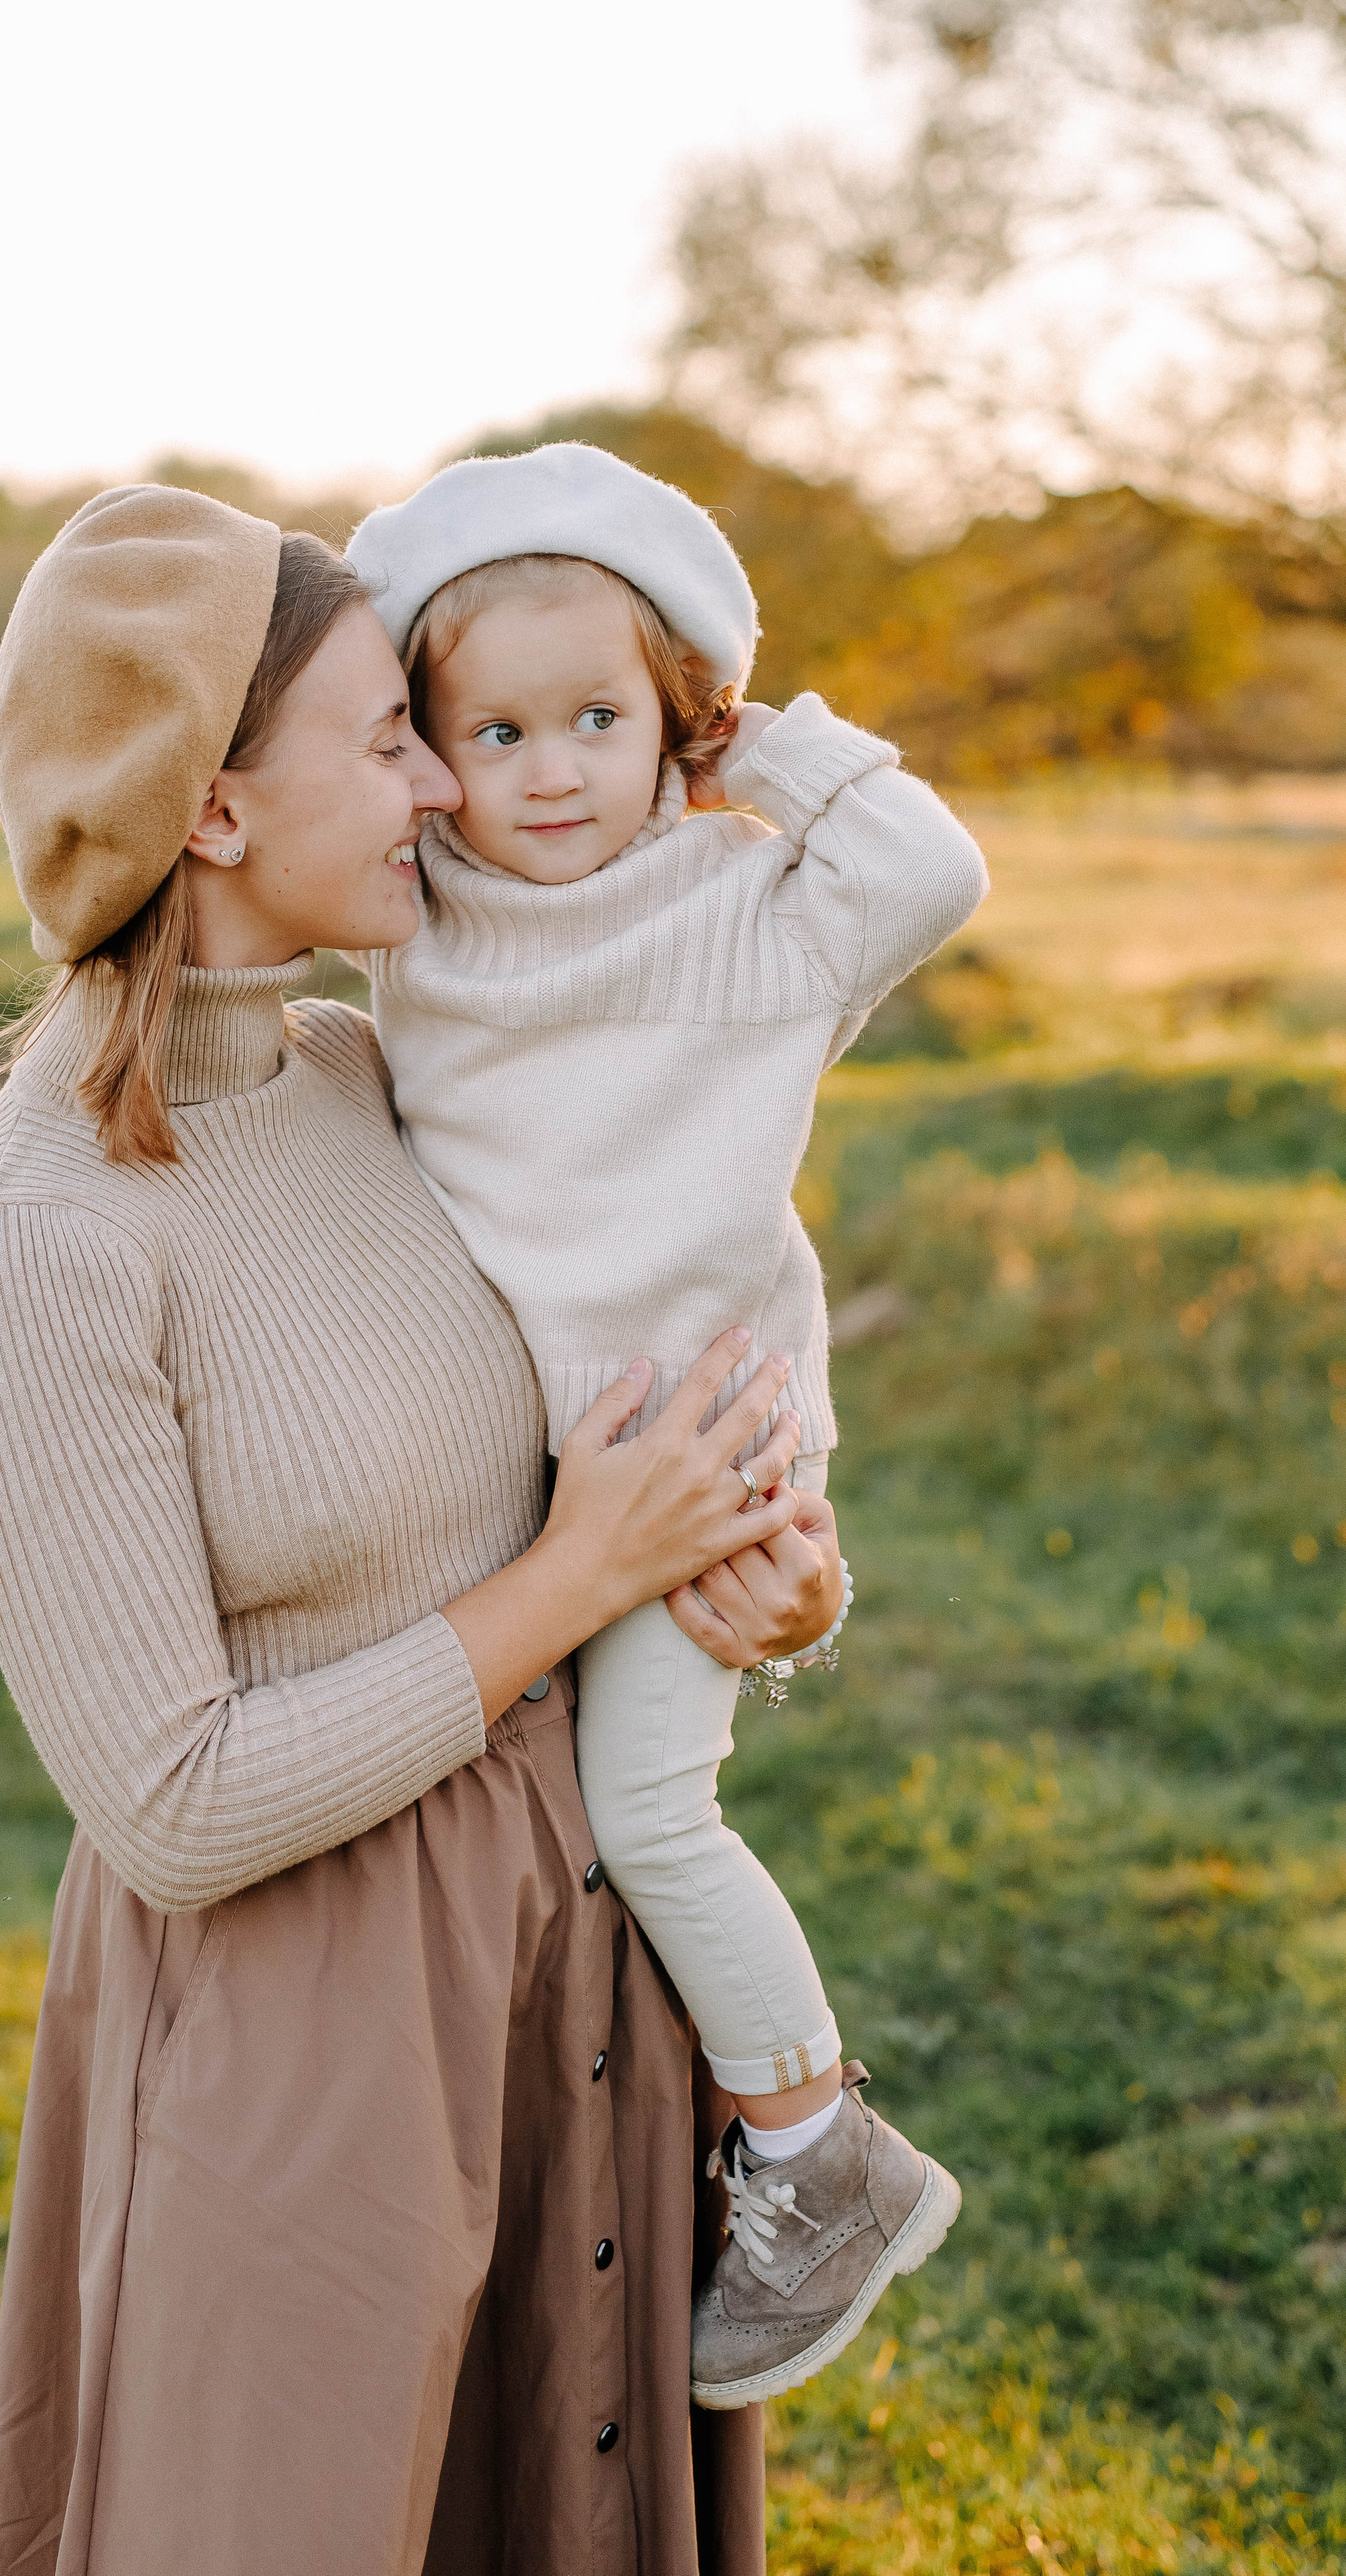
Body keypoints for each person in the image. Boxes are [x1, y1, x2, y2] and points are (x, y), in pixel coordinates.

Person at [0, 480, 846, 2576]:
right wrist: (571, 1580)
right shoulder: (29, 1244)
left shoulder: (377, 1075)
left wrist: (757, 1577)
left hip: (574, 1955)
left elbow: (582, 1470)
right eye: (389, 733)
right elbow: (169, 1802)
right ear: (218, 813)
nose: (445, 779)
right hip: (302, 2040)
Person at [348, 442, 990, 2409]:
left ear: (674, 724)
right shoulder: (428, 918)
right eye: (502, 729)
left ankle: (813, 2144)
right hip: (525, 1464)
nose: (554, 772)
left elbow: (933, 873)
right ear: (434, 747)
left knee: (646, 1809)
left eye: (604, 721)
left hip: (697, 1448)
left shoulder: (747, 907)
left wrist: (760, 748)